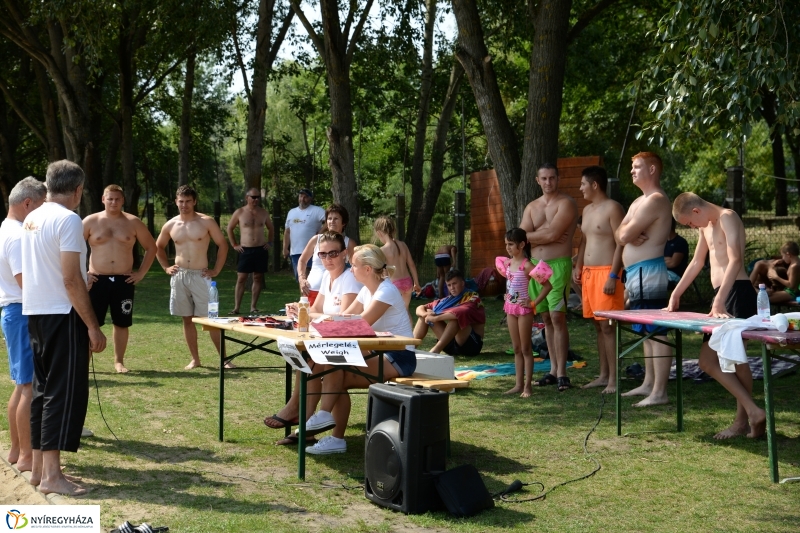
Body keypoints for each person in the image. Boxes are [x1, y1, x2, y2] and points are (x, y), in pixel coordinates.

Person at [21, 160, 107, 496]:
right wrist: (93, 327)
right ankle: (52, 477)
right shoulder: (69, 219)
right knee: (62, 393)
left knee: (43, 392)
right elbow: (72, 278)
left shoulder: (32, 217)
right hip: (61, 314)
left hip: (36, 313)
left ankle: (39, 469)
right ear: (78, 190)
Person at [668, 192, 766, 438]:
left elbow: (735, 260)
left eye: (689, 223)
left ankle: (747, 417)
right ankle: (749, 415)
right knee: (715, 361)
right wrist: (676, 294)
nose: (691, 227)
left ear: (696, 211)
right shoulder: (707, 227)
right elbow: (696, 262)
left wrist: (720, 299)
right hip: (722, 295)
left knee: (728, 360)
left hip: (736, 293)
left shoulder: (727, 217)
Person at [302, 244, 417, 454]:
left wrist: (328, 325)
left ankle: (326, 418)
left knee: (335, 370)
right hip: (380, 352)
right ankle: (334, 435)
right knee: (333, 372)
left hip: (400, 356)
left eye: (354, 265)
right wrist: (324, 321)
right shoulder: (367, 290)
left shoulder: (386, 291)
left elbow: (361, 324)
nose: (350, 268)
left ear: (367, 269)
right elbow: (345, 316)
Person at [263, 232, 363, 445]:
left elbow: (342, 319)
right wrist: (299, 308)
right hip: (333, 342)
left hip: (354, 345)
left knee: (319, 365)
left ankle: (303, 417)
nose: (328, 259)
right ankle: (305, 422)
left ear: (345, 254)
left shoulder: (350, 279)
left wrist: (308, 312)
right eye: (323, 254)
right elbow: (316, 310)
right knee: (308, 361)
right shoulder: (327, 277)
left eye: (333, 253)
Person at [615, 152, 673, 407]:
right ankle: (649, 383)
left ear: (652, 169)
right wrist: (626, 233)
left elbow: (625, 232)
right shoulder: (639, 201)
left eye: (637, 166)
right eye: (631, 166)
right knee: (646, 332)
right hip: (637, 274)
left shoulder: (656, 199)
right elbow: (619, 234)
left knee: (657, 331)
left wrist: (627, 233)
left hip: (649, 272)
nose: (632, 171)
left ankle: (660, 391)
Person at [83, 184, 158, 373]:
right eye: (110, 198)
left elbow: (152, 247)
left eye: (117, 199)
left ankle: (119, 361)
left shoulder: (133, 222)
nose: (113, 202)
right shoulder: (90, 221)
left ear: (123, 200)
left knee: (121, 322)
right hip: (96, 280)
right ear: (103, 199)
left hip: (124, 281)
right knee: (90, 322)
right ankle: (84, 362)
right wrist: (83, 273)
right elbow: (73, 248)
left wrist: (141, 273)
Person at [0, 177, 46, 474]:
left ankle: (17, 451)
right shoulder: (17, 235)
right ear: (27, 203)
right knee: (28, 387)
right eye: (40, 207)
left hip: (13, 311)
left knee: (21, 386)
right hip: (21, 310)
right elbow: (25, 283)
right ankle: (28, 456)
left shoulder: (7, 228)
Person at [155, 185, 229, 370]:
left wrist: (216, 270)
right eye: (181, 201)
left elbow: (223, 245)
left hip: (201, 275)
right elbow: (158, 247)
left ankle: (225, 360)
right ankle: (195, 359)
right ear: (176, 201)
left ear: (194, 201)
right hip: (180, 275)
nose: (184, 205)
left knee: (211, 319)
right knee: (187, 319)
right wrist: (165, 267)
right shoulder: (171, 224)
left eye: (188, 201)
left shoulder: (206, 222)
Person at [520, 163, 578, 392]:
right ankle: (553, 370)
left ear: (558, 179)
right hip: (536, 266)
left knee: (557, 316)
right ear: (537, 180)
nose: (548, 182)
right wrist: (545, 236)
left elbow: (554, 233)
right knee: (545, 317)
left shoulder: (566, 203)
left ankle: (563, 373)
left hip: (558, 265)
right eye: (544, 178)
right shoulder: (532, 207)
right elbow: (522, 237)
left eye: (552, 178)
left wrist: (537, 235)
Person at [573, 166, 625, 394]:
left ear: (595, 185)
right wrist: (578, 264)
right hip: (589, 274)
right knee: (597, 326)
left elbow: (621, 242)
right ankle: (603, 375)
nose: (580, 188)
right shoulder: (587, 210)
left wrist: (614, 275)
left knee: (608, 327)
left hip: (607, 273)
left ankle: (614, 379)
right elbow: (584, 241)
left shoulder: (613, 208)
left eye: (583, 184)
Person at [495, 228, 552, 398]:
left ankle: (528, 386)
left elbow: (548, 286)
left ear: (521, 244)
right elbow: (511, 284)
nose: (508, 248)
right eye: (506, 244)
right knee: (516, 348)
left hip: (524, 310)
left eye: (511, 244)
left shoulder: (527, 265)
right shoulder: (507, 264)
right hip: (510, 309)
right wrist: (507, 296)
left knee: (526, 348)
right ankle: (518, 385)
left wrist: (533, 302)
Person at [413, 269, 486, 355]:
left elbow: (463, 312)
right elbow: (420, 308)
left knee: (457, 318)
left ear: (462, 283)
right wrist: (425, 314)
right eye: (449, 285)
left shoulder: (473, 297)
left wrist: (436, 318)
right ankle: (409, 348)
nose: (452, 288)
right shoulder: (448, 300)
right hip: (451, 345)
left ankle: (435, 350)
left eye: (454, 283)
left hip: (471, 346)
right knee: (427, 312)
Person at [226, 187, 274, 315]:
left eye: (258, 197)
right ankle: (236, 307)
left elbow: (271, 228)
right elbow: (229, 228)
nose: (256, 199)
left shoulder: (263, 212)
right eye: (253, 197)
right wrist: (234, 244)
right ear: (247, 197)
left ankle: (253, 306)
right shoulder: (240, 212)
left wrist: (269, 242)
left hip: (260, 249)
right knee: (241, 278)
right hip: (245, 249)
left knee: (258, 277)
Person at [297, 204, 356, 305]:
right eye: (329, 218)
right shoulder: (316, 239)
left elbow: (356, 267)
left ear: (344, 223)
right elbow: (302, 260)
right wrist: (302, 278)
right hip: (311, 290)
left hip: (335, 293)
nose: (332, 222)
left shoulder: (349, 243)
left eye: (336, 219)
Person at [374, 216, 421, 311]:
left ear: (379, 233)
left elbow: (382, 272)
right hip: (408, 282)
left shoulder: (382, 250)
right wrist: (416, 282)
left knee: (394, 314)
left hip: (395, 285)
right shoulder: (403, 244)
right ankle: (409, 327)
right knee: (405, 312)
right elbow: (411, 264)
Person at [283, 188, 326, 281]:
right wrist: (285, 248)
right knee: (300, 277)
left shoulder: (317, 210)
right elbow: (287, 231)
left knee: (310, 277)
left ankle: (311, 295)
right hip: (295, 252)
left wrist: (320, 232)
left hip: (312, 250)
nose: (302, 199)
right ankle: (303, 296)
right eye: (301, 196)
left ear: (310, 198)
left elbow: (329, 221)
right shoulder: (292, 212)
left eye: (305, 197)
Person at [665, 218, 690, 283]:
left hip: (675, 275)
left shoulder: (680, 242)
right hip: (662, 272)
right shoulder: (662, 242)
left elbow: (673, 263)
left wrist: (659, 260)